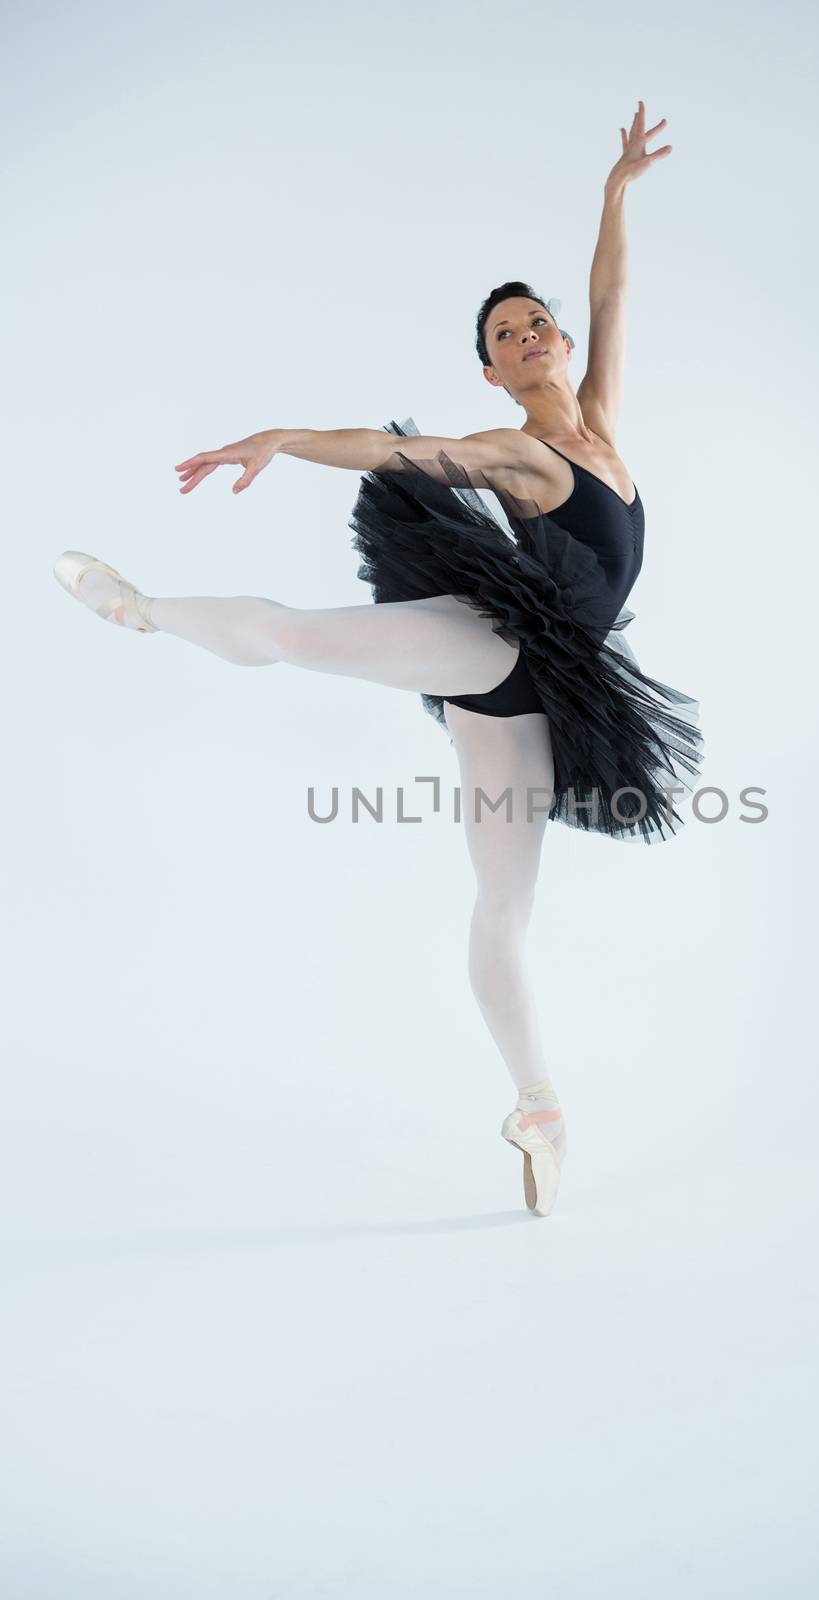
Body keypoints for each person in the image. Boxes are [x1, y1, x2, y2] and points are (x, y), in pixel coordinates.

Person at [52, 102, 700, 1218]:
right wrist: (283, 438)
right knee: (302, 634)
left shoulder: (600, 418)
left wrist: (613, 192)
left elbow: (612, 294)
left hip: (539, 695)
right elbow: (397, 449)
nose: (529, 333)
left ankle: (538, 1108)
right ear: (493, 375)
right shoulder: (518, 449)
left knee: (502, 907)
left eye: (533, 319)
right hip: (487, 639)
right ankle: (144, 609)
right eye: (504, 334)